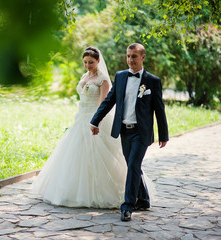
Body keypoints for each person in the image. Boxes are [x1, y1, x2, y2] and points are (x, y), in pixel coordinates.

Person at [32, 47, 127, 208]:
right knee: (74, 153)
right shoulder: (85, 76)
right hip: (80, 117)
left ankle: (100, 192)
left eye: (91, 62)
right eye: (85, 62)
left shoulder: (102, 80)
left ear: (98, 61)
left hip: (93, 118)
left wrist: (96, 122)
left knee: (96, 154)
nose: (88, 65)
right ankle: (71, 192)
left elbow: (103, 103)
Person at [90, 43, 169, 221]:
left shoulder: (153, 81)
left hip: (141, 132)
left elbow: (159, 109)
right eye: (128, 56)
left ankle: (127, 206)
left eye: (134, 56)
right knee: (132, 166)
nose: (130, 60)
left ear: (143, 57)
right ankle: (144, 199)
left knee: (133, 166)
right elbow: (109, 101)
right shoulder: (120, 76)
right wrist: (95, 120)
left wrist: (163, 135)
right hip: (124, 130)